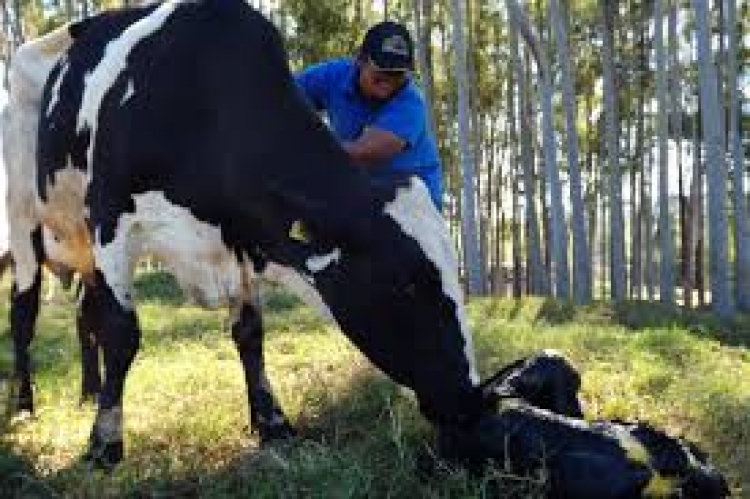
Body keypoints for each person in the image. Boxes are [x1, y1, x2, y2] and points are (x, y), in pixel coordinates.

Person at [295, 21, 444, 210]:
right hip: (363, 195)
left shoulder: (410, 104)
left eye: (397, 74)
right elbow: (281, 94)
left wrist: (303, 151)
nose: (389, 80)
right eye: (382, 71)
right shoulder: (332, 76)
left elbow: (361, 153)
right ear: (360, 59)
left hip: (416, 208)